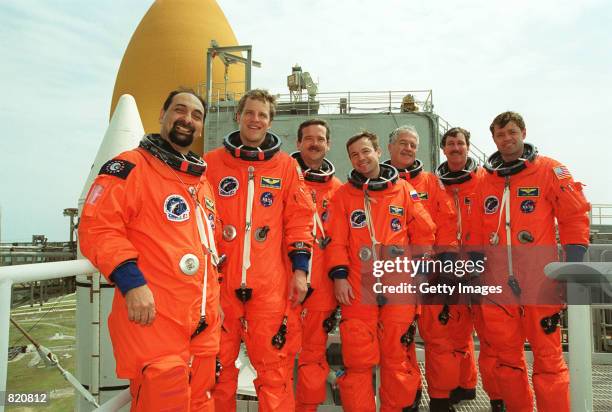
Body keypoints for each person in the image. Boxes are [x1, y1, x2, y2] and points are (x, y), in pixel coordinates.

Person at [79, 89, 221, 411]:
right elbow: (96, 227)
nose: (187, 119)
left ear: (200, 127)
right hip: (154, 318)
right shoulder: (129, 167)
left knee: (200, 402)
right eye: (179, 110)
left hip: (202, 325)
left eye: (196, 116)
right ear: (163, 115)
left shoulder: (201, 184)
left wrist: (216, 303)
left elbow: (208, 249)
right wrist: (131, 283)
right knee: (163, 398)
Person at [471, 111, 590, 412]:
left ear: (523, 132)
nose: (507, 139)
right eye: (500, 135)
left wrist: (574, 263)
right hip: (497, 285)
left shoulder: (549, 170)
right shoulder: (484, 179)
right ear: (494, 139)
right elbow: (475, 230)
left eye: (511, 132)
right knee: (506, 358)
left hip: (540, 280)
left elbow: (573, 216)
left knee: (548, 358)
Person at [205, 89, 314, 411]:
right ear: (238, 116)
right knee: (215, 371)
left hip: (269, 289)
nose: (255, 120)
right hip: (221, 287)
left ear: (270, 122)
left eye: (262, 115)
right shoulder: (210, 164)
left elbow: (299, 222)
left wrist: (300, 270)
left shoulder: (285, 168)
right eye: (250, 113)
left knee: (275, 373)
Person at [326, 131, 436, 411]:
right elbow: (335, 241)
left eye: (366, 151)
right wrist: (339, 278)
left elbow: (424, 233)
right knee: (358, 361)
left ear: (377, 152)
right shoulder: (343, 196)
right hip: (357, 287)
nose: (361, 158)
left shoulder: (404, 190)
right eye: (354, 155)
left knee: (395, 358)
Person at [386, 125, 466, 411]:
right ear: (390, 147)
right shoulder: (376, 183)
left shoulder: (432, 183)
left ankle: (441, 398)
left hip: (430, 272)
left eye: (412, 145)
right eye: (403, 144)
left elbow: (447, 223)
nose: (408, 149)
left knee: (438, 339)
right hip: (394, 275)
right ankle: (409, 395)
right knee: (399, 341)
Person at [436, 127, 503, 411]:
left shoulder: (486, 180)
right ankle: (461, 386)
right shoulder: (435, 184)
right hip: (449, 266)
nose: (455, 148)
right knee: (455, 332)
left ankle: (499, 396)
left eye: (460, 143)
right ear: (443, 149)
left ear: (467, 147)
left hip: (482, 268)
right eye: (450, 143)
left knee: (491, 337)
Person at [291, 119, 342, 411]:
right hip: (287, 282)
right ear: (298, 143)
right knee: (279, 356)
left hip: (321, 288)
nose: (314, 143)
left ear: (328, 144)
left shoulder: (338, 189)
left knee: (313, 355)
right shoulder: (284, 177)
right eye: (308, 138)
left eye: (320, 139)